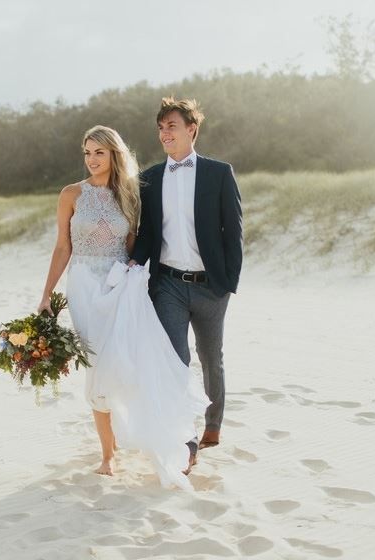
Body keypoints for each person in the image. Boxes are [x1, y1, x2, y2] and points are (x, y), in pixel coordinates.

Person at [37, 125, 209, 489]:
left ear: (114, 154)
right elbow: (62, 247)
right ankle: (107, 454)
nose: (92, 159)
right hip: (84, 285)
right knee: (97, 362)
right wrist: (46, 295)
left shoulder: (130, 194)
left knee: (125, 360)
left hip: (120, 286)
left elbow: (135, 244)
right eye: (86, 152)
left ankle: (136, 435)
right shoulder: (71, 194)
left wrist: (141, 286)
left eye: (99, 152)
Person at [128, 97, 243, 469]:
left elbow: (233, 232)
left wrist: (228, 283)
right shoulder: (151, 178)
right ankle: (185, 441)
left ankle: (213, 425)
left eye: (172, 126)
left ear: (192, 129)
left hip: (211, 286)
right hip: (169, 286)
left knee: (212, 358)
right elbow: (147, 233)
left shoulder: (219, 173)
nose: (165, 134)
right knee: (175, 362)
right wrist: (134, 264)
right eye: (161, 128)